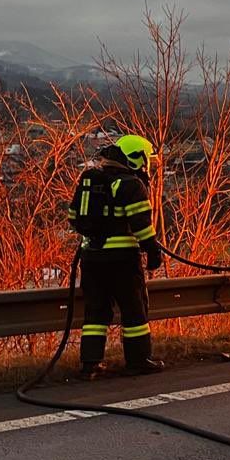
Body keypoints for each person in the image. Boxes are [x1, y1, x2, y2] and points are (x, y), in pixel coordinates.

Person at [66, 133, 165, 378]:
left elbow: (72, 217)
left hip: (91, 259)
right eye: (146, 160)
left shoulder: (90, 179)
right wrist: (153, 251)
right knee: (134, 311)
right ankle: (139, 360)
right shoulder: (132, 184)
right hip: (122, 261)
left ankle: (90, 364)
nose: (147, 165)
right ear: (136, 158)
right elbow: (141, 225)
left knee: (96, 312)